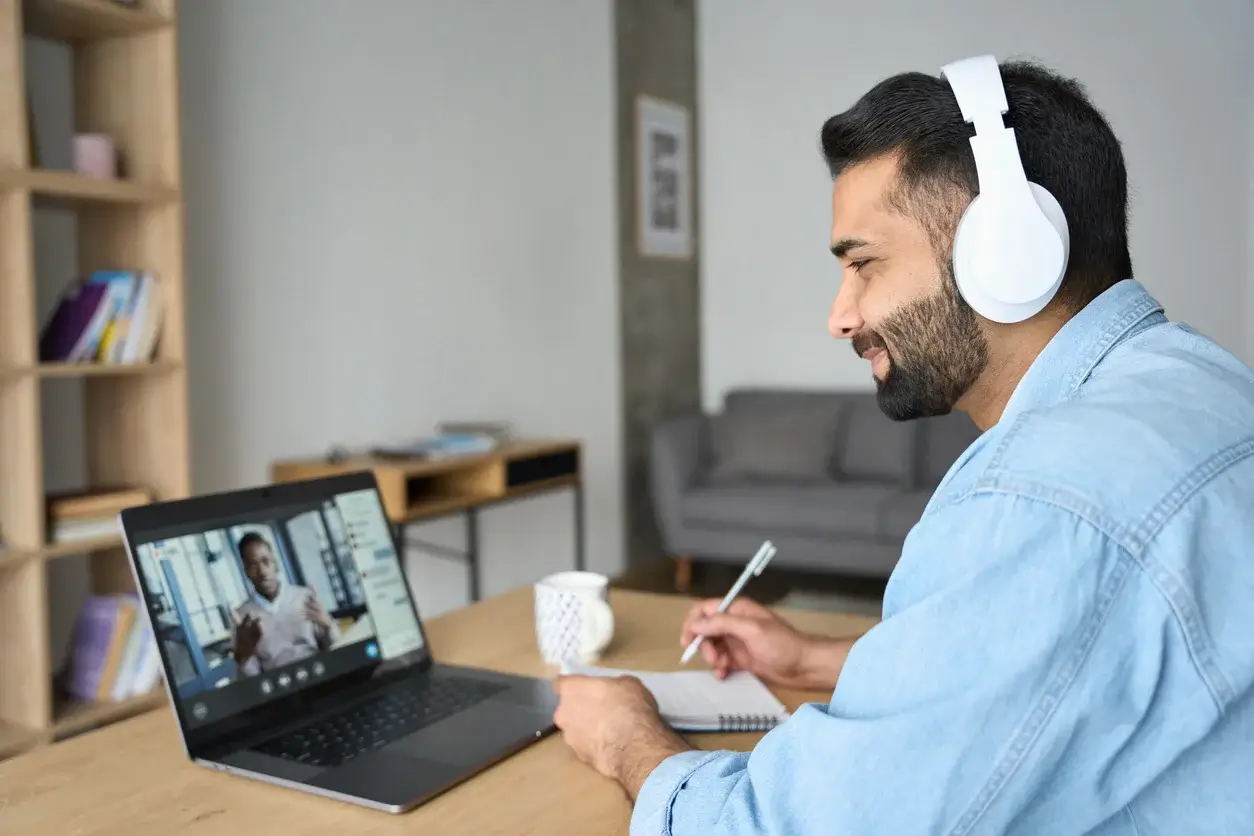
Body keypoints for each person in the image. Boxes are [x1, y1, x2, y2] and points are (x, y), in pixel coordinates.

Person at [552, 55, 1254, 834]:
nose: (841, 316)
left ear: (1006, 253)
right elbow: (1066, 673)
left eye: (863, 265)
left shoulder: (1043, 496)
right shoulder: (1210, 385)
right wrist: (814, 660)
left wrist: (628, 740)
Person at [232, 531, 340, 676]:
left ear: (275, 562)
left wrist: (328, 625)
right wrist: (243, 657)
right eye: (253, 565)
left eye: (266, 561)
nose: (263, 571)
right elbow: (251, 679)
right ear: (246, 571)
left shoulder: (304, 597)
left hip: (320, 674)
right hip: (280, 689)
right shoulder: (243, 618)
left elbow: (335, 647)